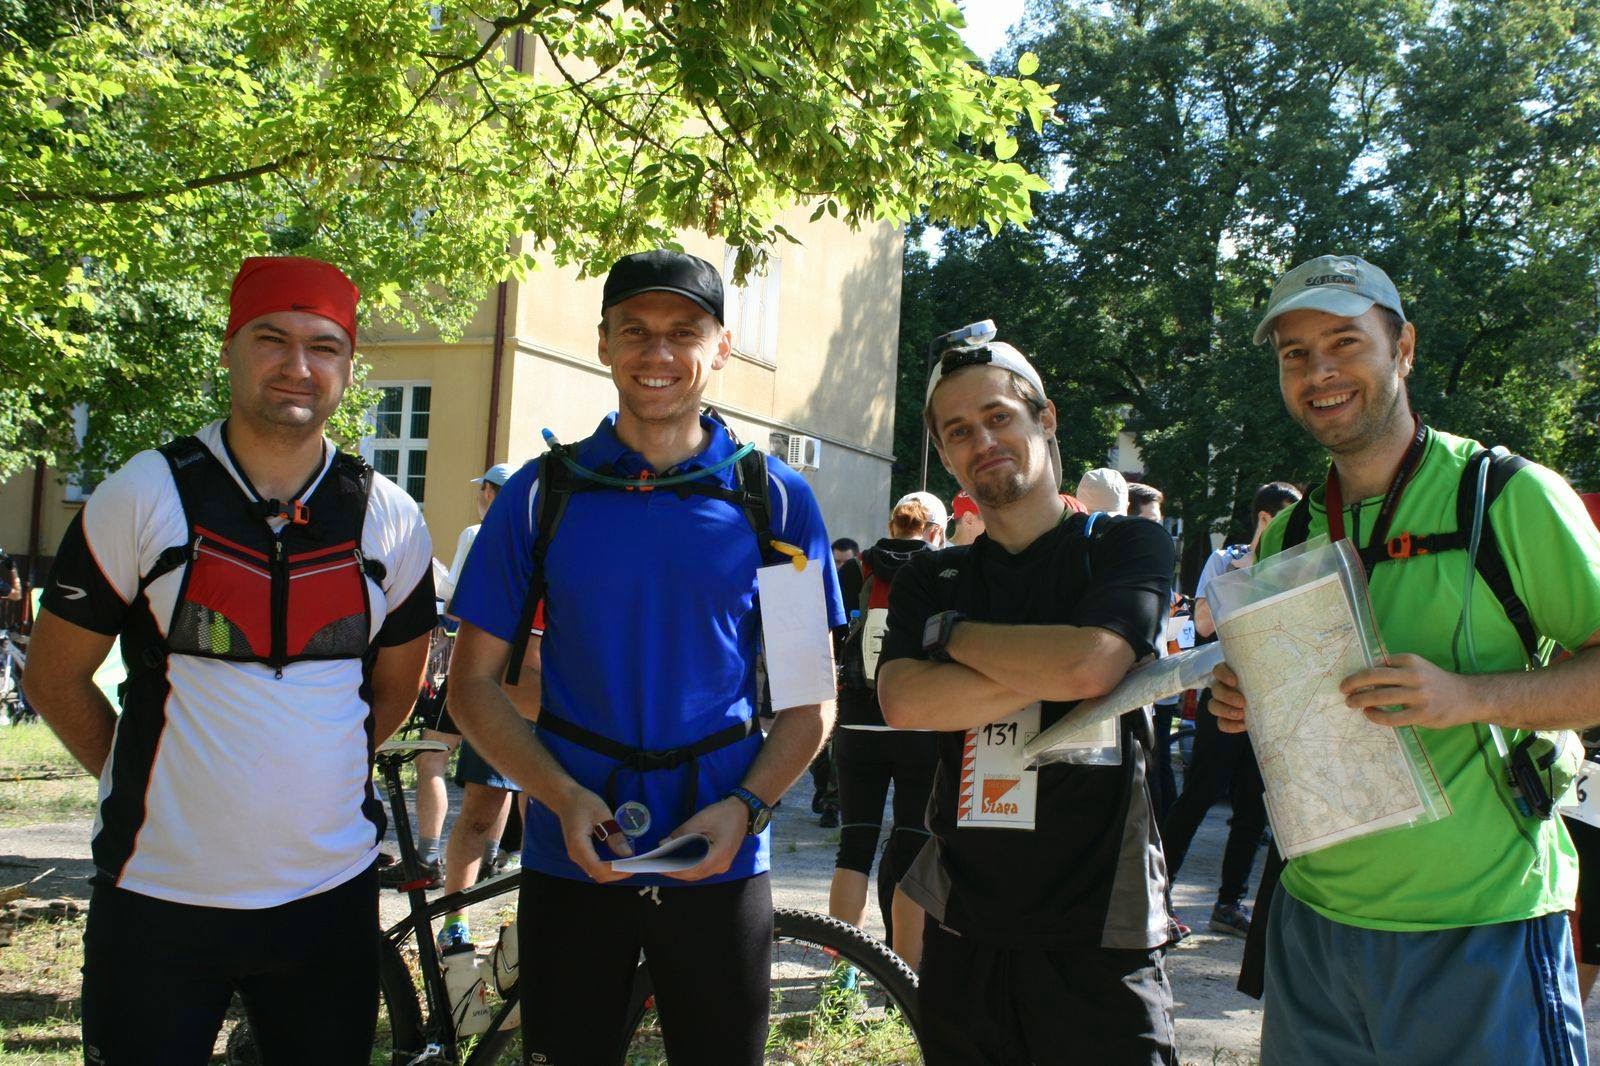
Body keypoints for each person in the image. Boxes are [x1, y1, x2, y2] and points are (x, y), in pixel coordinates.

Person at [24, 256, 436, 1064]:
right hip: (157, 895)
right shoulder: (144, 492)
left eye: (323, 346)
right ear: (228, 349)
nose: (297, 365)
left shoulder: (389, 516)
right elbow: (52, 675)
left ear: (349, 366)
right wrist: (150, 781)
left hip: (328, 900)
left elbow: (394, 689)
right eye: (271, 339)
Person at [446, 249, 844, 1063]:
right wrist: (559, 796)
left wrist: (746, 808)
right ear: (603, 343)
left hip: (721, 849)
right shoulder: (541, 493)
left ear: (721, 347)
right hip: (574, 849)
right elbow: (472, 687)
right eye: (635, 330)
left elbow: (811, 701)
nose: (657, 352)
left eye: (683, 331)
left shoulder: (773, 499)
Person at [1209, 254, 1600, 1064]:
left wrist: (1469, 696)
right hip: (1314, 926)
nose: (1319, 372)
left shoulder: (1506, 496)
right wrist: (1246, 695)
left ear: (1405, 348)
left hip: (1478, 924)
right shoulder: (1289, 535)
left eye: (1345, 343)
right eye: (1295, 354)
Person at [878, 335, 1178, 1065]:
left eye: (998, 417)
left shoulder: (1124, 547)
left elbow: (1090, 663)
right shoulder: (932, 578)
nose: (982, 441)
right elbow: (904, 703)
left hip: (1102, 936)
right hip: (967, 932)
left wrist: (954, 638)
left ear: (1045, 419)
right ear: (944, 456)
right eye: (959, 431)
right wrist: (1074, 667)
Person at [1160, 480, 1301, 938]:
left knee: (1253, 807)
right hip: (1224, 696)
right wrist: (1252, 566)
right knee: (1199, 796)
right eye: (1289, 516)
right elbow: (1203, 624)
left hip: (1271, 703)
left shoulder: (1296, 564)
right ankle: (1156, 898)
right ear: (1264, 518)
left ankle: (1228, 904)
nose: (1299, 525)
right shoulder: (1226, 560)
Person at [828, 491, 946, 969]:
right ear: (936, 532)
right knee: (915, 849)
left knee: (854, 847)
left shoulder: (856, 569)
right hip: (920, 724)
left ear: (892, 524)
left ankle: (842, 973)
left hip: (857, 723)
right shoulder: (942, 570)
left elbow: (832, 638)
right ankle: (905, 979)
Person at [387, 461, 518, 891]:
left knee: (432, 756)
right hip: (511, 672)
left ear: (489, 493)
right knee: (500, 769)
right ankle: (492, 858)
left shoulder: (477, 534)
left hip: (471, 662)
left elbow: (459, 600)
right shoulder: (530, 537)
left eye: (482, 490)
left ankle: (427, 856)